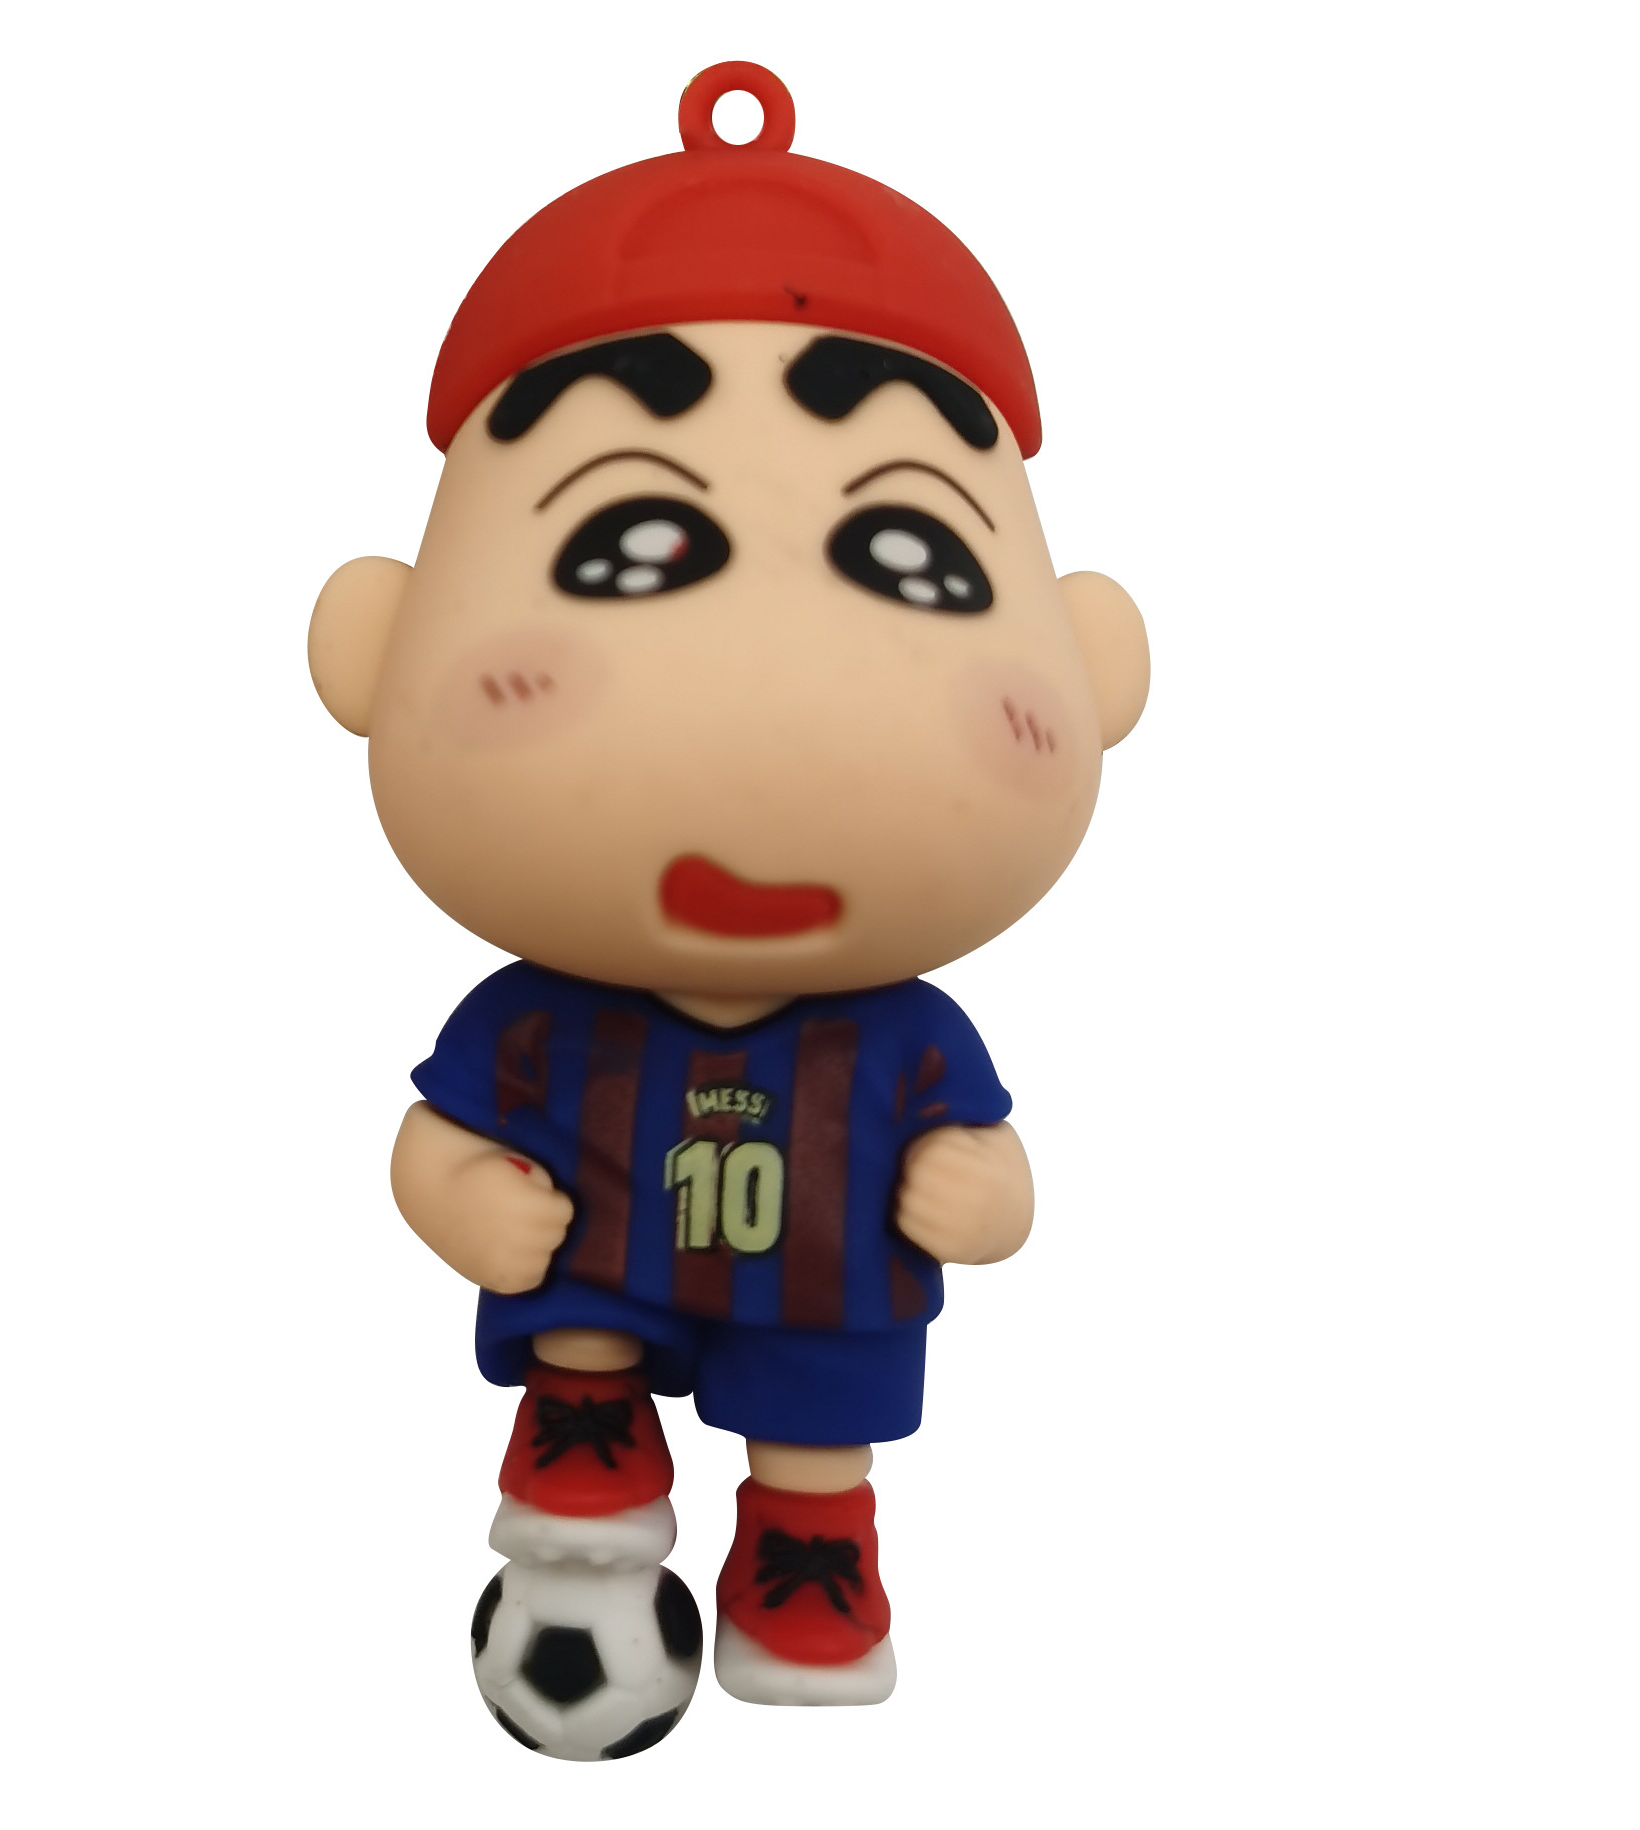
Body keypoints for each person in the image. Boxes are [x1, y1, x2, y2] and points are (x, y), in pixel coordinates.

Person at [308, 61, 1149, 1734]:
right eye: (626, 545)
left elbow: (989, 1169)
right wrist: (455, 1198)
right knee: (575, 1314)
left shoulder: (911, 1040)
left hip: (821, 1295)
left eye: (911, 556)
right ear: (373, 648)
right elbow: (432, 1134)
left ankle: (807, 1546)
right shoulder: (530, 1021)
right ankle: (586, 1454)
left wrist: (989, 1196)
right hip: (596, 1294)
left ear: (1095, 662)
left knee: (822, 1404)